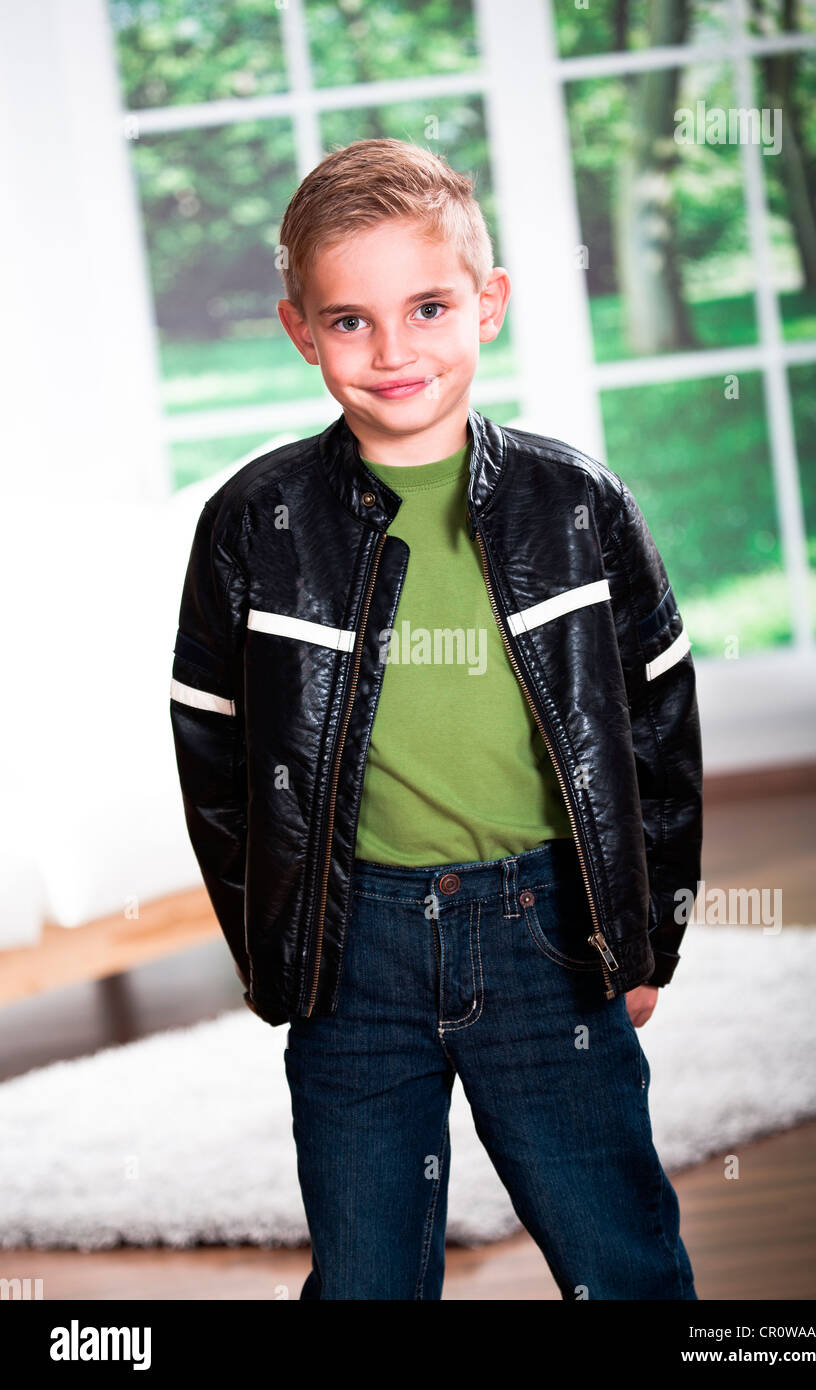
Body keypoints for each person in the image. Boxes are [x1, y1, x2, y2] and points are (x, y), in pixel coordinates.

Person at [169, 138, 703, 1301]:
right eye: (349, 320)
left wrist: (642, 928)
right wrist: (276, 945)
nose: (393, 350)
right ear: (300, 330)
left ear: (487, 305)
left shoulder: (576, 506)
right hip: (353, 949)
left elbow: (657, 726)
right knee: (363, 1276)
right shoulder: (252, 525)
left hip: (546, 936)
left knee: (618, 1254)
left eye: (426, 307)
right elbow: (212, 755)